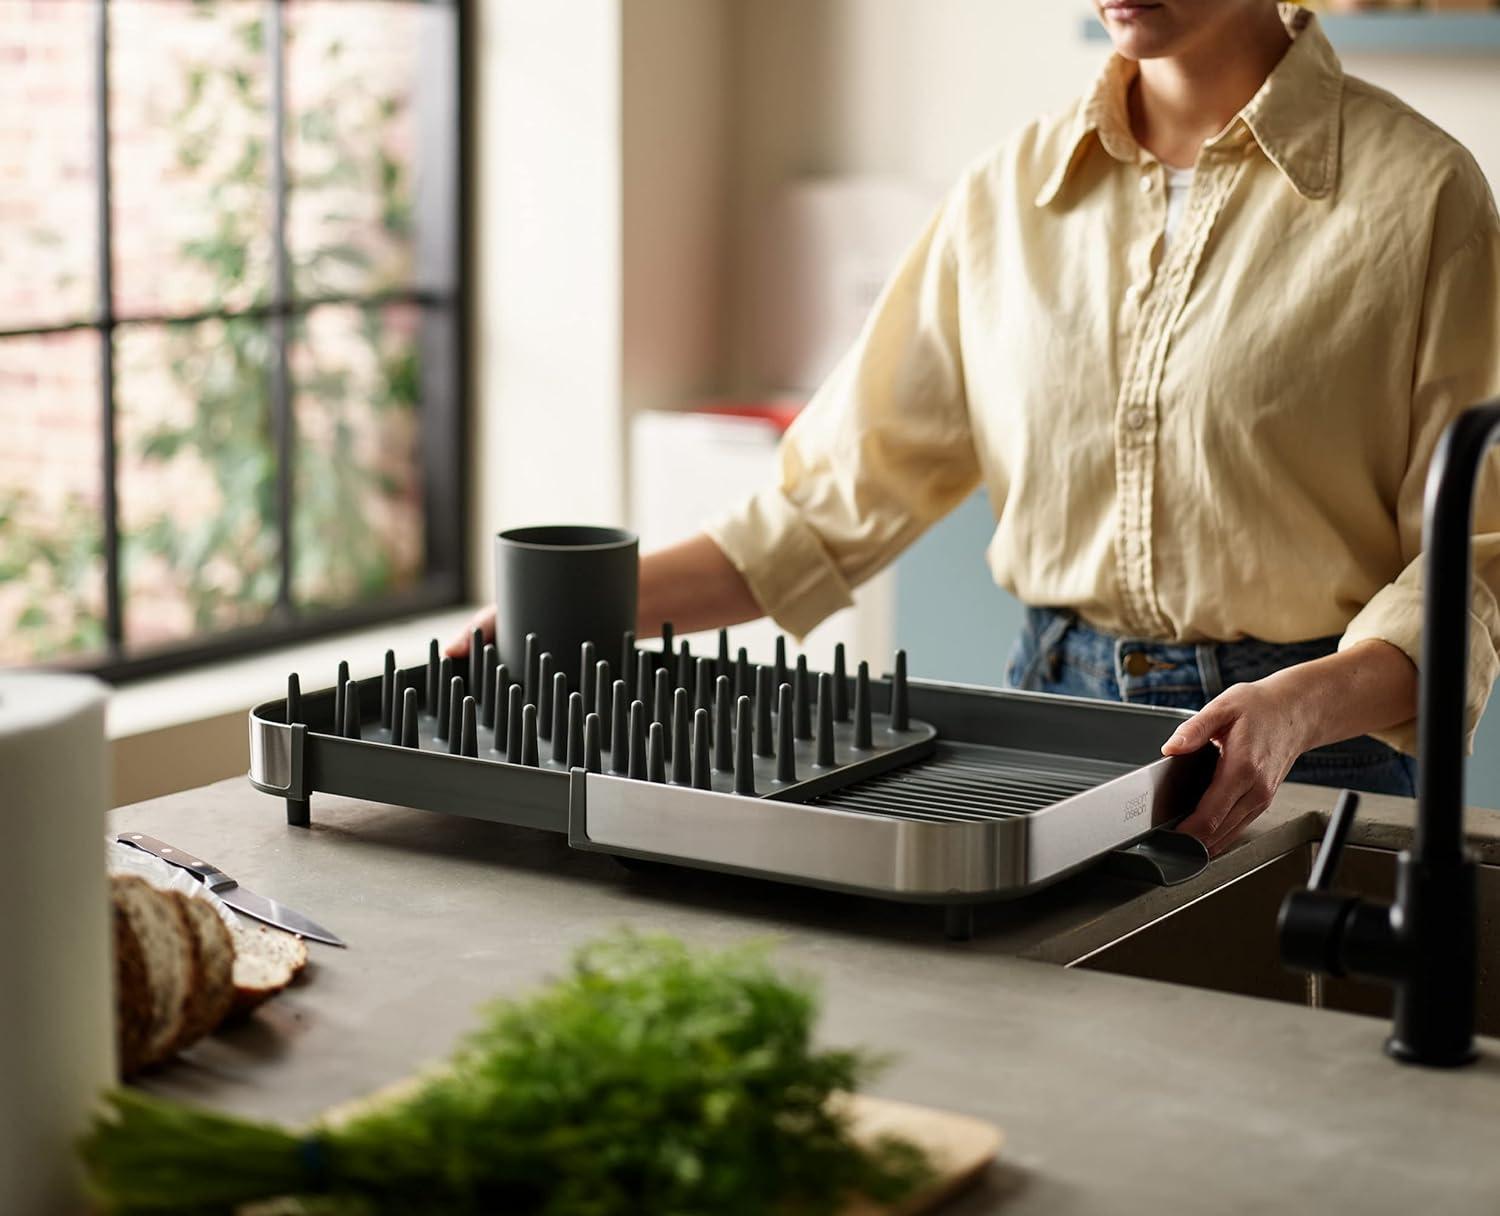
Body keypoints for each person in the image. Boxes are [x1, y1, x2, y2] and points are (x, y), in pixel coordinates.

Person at [454, 1, 1500, 855]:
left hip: (1314, 753)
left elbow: (1477, 558)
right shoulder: (1010, 194)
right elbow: (828, 505)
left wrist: (1303, 705)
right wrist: (581, 615)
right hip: (1051, 731)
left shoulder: (1423, 198)